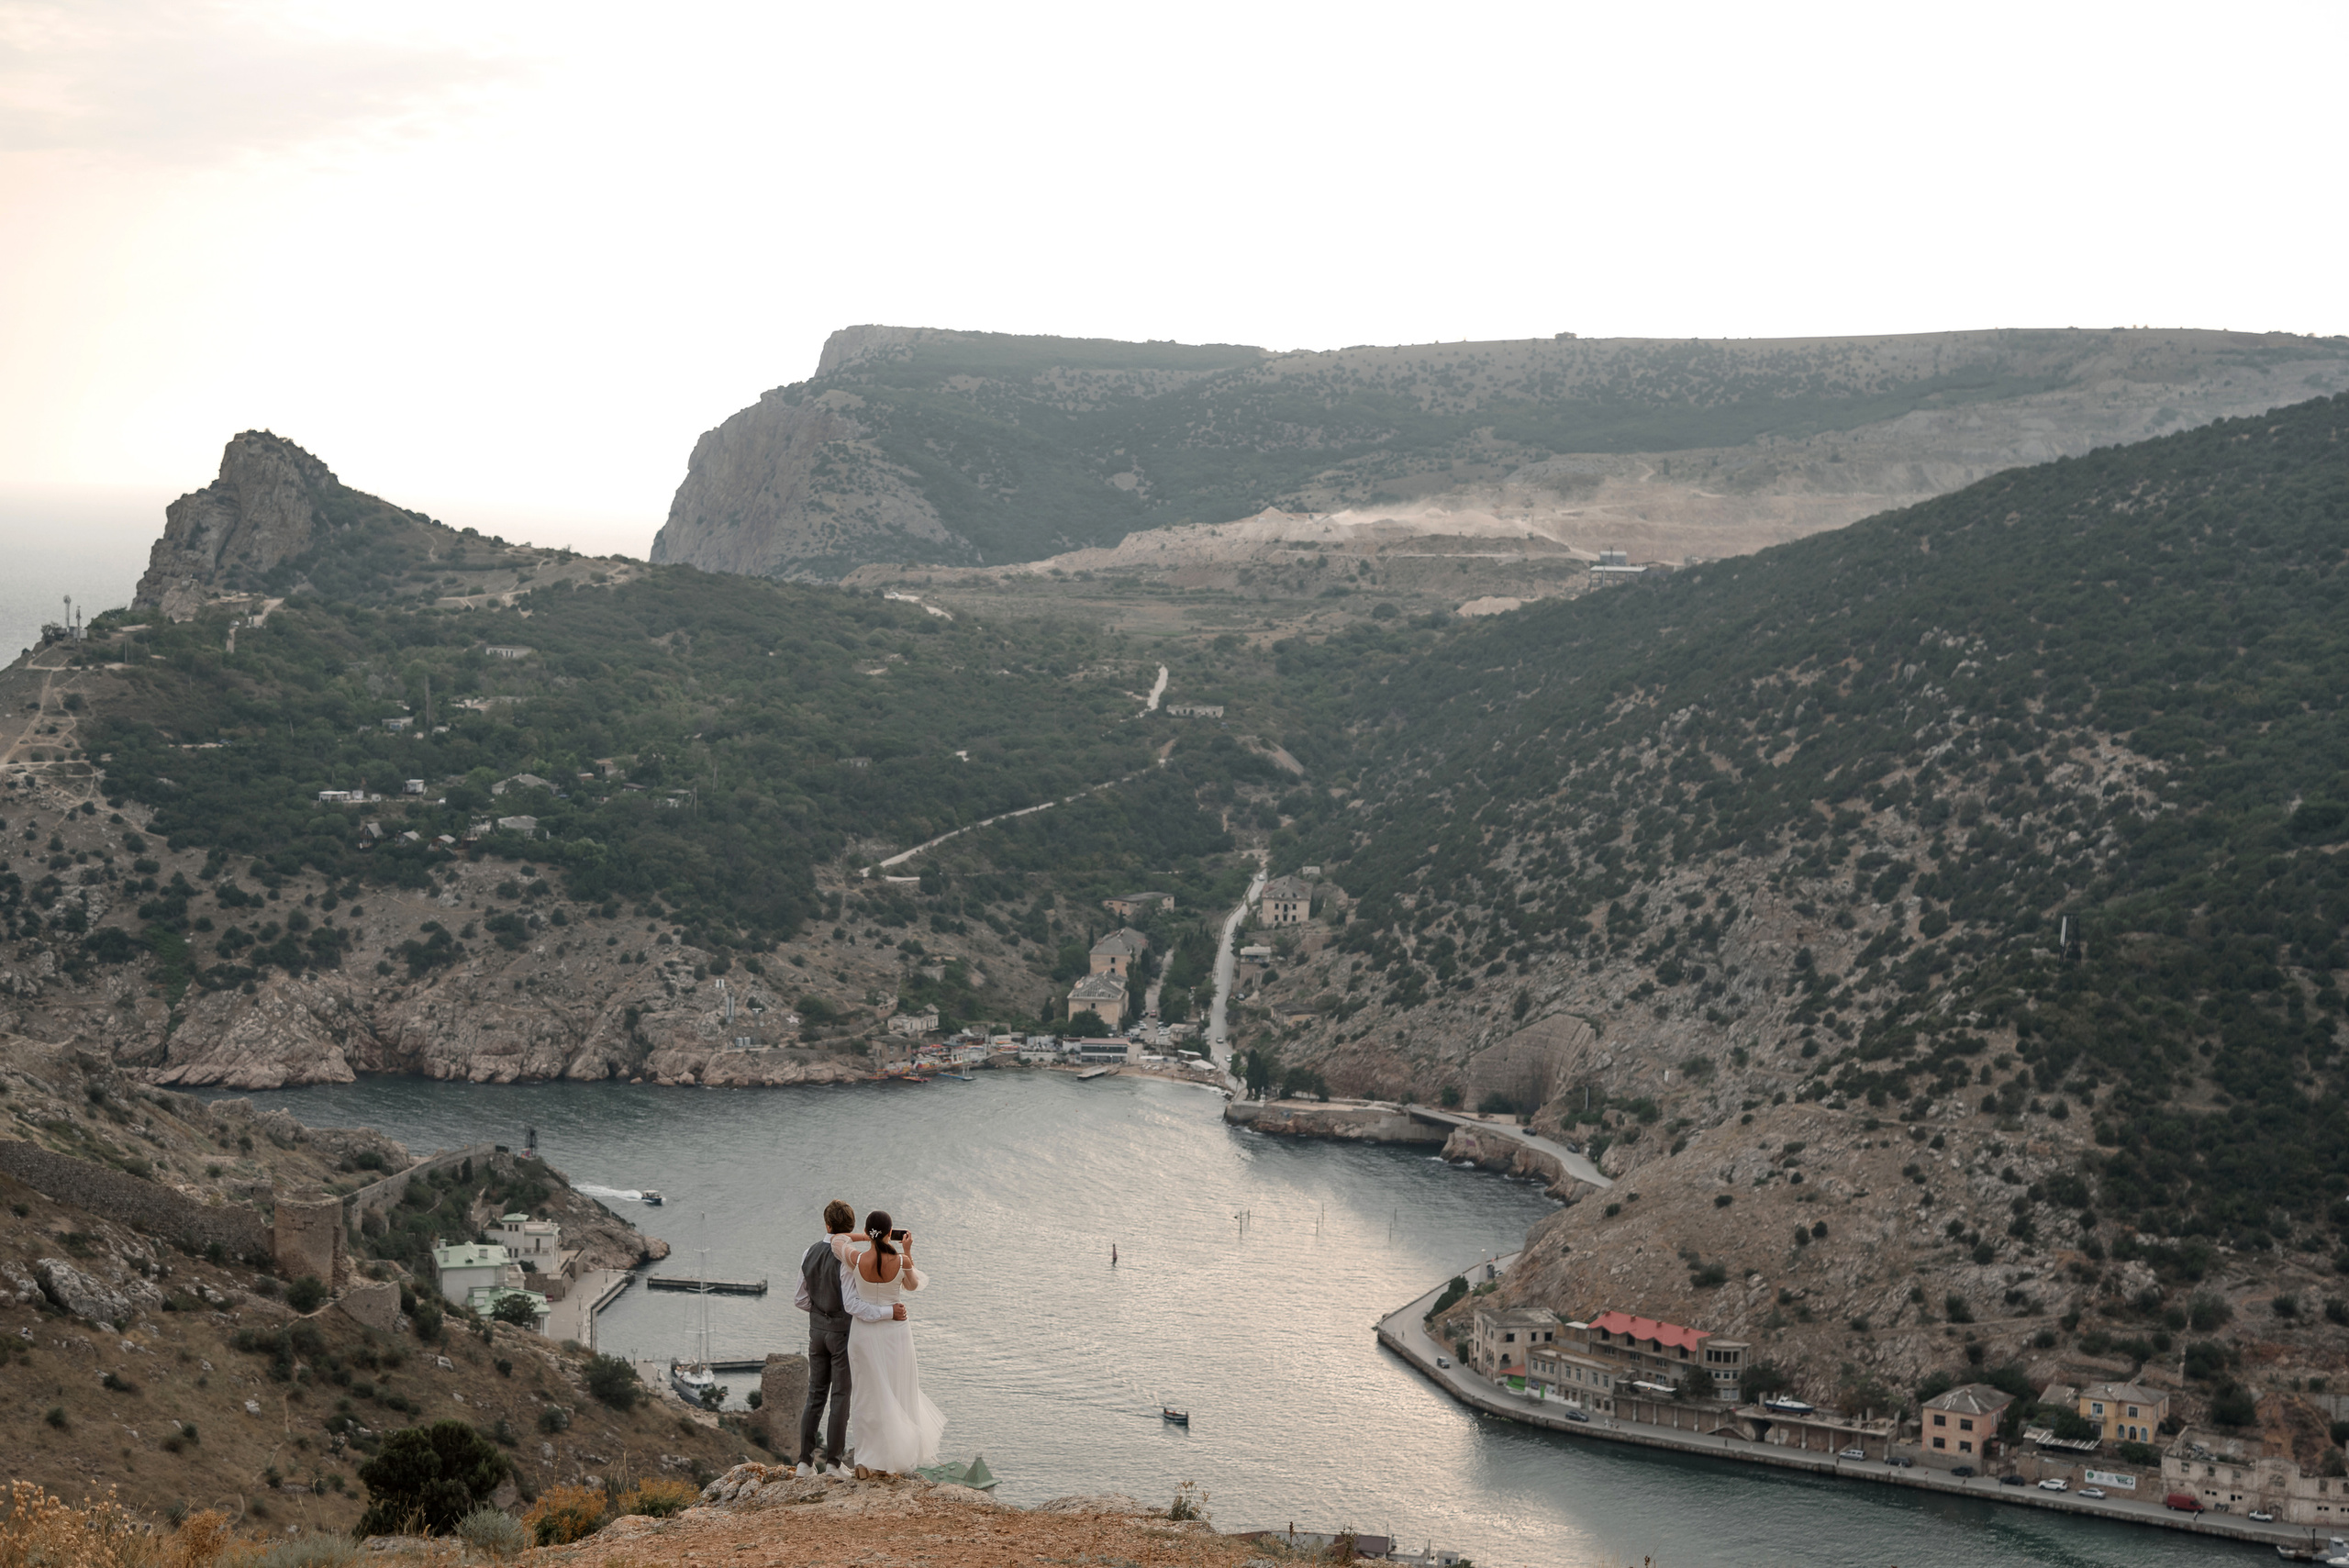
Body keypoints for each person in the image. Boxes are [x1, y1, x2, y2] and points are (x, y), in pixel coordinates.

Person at [835, 1208, 945, 1474]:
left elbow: (838, 1238)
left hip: (864, 1334)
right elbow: (913, 1286)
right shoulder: (902, 1261)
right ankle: (895, 1461)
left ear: (869, 1231)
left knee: (865, 1396)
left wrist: (868, 1237)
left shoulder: (856, 1259)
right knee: (898, 1391)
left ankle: (865, 1462)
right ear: (889, 1232)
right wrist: (906, 1250)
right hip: (895, 1333)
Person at [794, 1198, 863, 1477]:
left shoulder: (808, 1252)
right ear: (851, 1226)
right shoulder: (846, 1259)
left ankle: (804, 1463)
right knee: (841, 1396)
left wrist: (819, 1313)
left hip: (816, 1333)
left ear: (827, 1224)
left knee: (815, 1395)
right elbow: (850, 1303)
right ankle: (833, 1463)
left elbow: (799, 1299)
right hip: (841, 1335)